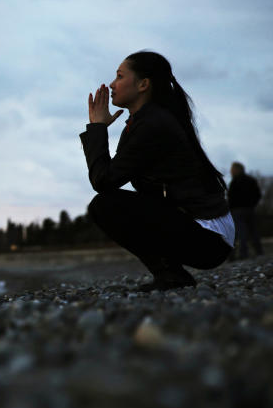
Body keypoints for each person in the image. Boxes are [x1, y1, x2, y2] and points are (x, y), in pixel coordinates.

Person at [80, 51, 234, 292]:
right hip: (204, 231)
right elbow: (110, 176)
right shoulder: (144, 121)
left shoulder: (153, 124)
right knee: (109, 203)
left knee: (105, 205)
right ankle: (172, 276)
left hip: (209, 237)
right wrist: (99, 130)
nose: (111, 84)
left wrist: (97, 128)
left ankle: (172, 277)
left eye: (120, 76)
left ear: (143, 84)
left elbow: (104, 181)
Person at [227, 162, 263, 259]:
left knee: (241, 232)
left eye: (232, 169)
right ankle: (259, 251)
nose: (230, 171)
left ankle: (244, 254)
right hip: (249, 209)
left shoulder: (234, 182)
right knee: (253, 230)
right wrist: (252, 204)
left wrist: (230, 208)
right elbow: (258, 194)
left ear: (237, 170)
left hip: (237, 211)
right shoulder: (250, 180)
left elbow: (230, 198)